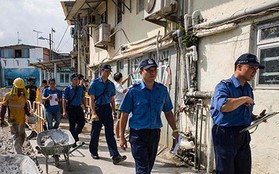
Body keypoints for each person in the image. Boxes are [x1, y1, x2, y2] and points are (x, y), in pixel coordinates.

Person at [119, 58, 178, 174]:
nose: (153, 73)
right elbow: (124, 114)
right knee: (143, 168)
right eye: (149, 70)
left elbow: (168, 111)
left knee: (148, 167)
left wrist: (175, 129)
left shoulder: (162, 90)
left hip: (154, 134)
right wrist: (121, 136)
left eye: (154, 70)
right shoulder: (133, 91)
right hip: (138, 135)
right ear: (141, 72)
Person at [210, 53, 266, 174]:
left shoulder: (247, 89)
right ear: (239, 67)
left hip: (243, 134)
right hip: (225, 134)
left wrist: (256, 118)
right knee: (226, 171)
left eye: (256, 69)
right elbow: (224, 106)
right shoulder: (224, 86)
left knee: (244, 170)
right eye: (251, 67)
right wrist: (244, 99)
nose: (254, 71)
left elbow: (242, 112)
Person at [88, 64, 127, 165]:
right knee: (95, 132)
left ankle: (115, 155)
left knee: (110, 133)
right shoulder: (95, 83)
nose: (108, 73)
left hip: (107, 109)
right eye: (106, 71)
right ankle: (93, 151)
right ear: (101, 71)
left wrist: (114, 111)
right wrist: (93, 113)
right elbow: (91, 99)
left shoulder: (110, 84)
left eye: (109, 71)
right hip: (97, 108)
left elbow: (112, 99)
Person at [0, 78, 32, 154]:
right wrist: (2, 119)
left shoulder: (23, 97)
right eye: (18, 89)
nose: (20, 90)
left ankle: (19, 149)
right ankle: (18, 153)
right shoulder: (8, 96)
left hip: (21, 119)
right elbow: (3, 108)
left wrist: (29, 114)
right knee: (16, 136)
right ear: (14, 87)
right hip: (12, 120)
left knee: (22, 136)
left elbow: (25, 107)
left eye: (21, 89)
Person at [62, 73, 86, 146]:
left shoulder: (80, 88)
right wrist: (64, 111)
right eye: (75, 80)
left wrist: (85, 106)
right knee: (72, 125)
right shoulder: (67, 89)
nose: (76, 81)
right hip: (71, 108)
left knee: (82, 123)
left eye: (77, 80)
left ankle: (74, 135)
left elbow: (83, 97)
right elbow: (64, 100)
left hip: (78, 107)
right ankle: (74, 141)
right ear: (71, 81)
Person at [113, 72, 130, 139]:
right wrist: (130, 87)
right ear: (120, 78)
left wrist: (127, 79)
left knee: (119, 119)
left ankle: (118, 134)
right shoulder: (117, 86)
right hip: (118, 104)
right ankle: (117, 135)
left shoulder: (116, 83)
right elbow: (123, 91)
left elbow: (121, 83)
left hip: (119, 103)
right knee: (119, 120)